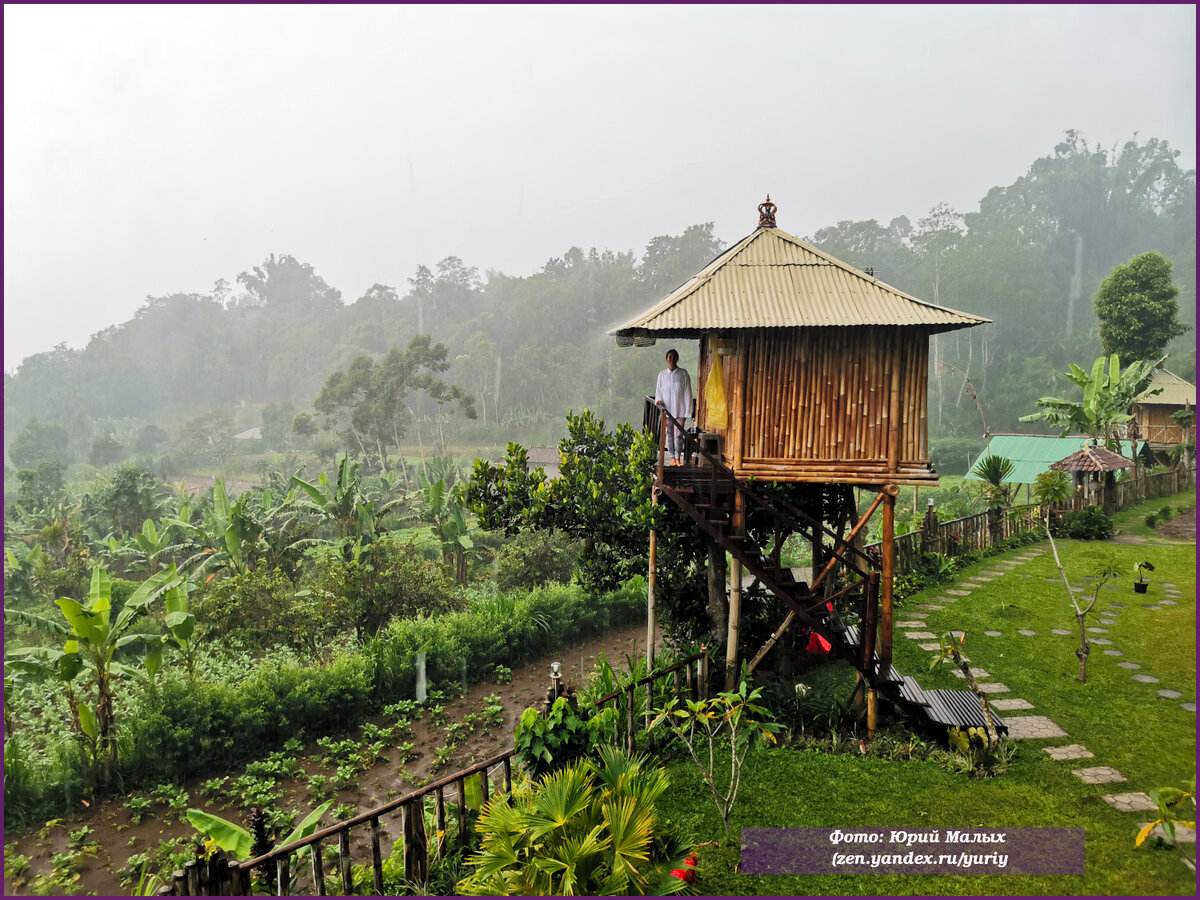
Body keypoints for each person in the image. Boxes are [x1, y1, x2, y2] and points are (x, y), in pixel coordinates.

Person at [654, 348, 693, 465]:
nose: (672, 359)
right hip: (667, 411)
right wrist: (659, 401)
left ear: (677, 359)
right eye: (669, 357)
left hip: (680, 410)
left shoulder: (683, 374)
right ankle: (671, 457)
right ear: (666, 359)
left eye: (674, 357)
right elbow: (658, 391)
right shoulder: (662, 375)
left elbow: (688, 392)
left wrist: (688, 411)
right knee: (669, 434)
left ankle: (678, 458)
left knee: (679, 435)